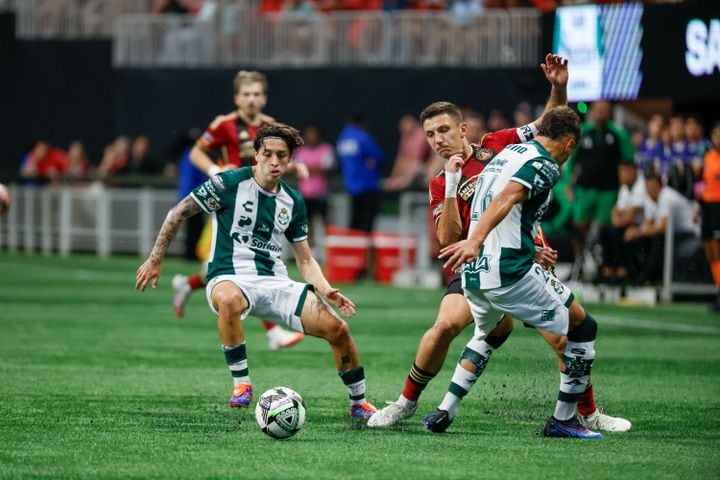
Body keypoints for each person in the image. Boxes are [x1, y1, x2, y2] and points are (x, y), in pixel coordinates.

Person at [368, 54, 629, 434]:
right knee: (444, 326)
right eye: (429, 135)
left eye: (443, 130)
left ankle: (586, 412)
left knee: (562, 339)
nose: (438, 140)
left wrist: (558, 87)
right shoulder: (441, 182)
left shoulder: (497, 144)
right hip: (474, 261)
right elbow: (448, 240)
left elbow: (549, 129)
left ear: (462, 129)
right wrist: (455, 184)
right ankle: (405, 404)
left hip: (515, 260)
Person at [136, 123, 377, 419]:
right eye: (268, 154)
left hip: (276, 282)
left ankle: (358, 403)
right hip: (229, 276)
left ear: (289, 160)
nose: (274, 162)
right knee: (228, 301)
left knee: (338, 330)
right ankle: (242, 384)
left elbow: (304, 260)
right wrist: (155, 258)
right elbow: (179, 213)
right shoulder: (228, 184)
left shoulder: (293, 201)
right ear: (256, 156)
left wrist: (326, 289)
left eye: (282, 156)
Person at [436, 105, 610, 438]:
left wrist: (483, 245)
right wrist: (474, 241)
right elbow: (507, 197)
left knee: (490, 334)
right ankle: (564, 419)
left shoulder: (509, 152)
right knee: (582, 328)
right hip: (509, 270)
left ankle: (445, 408)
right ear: (570, 144)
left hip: (476, 272)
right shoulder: (544, 165)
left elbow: (505, 208)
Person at [172, 70, 306, 350]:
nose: (251, 99)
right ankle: (274, 334)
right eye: (246, 94)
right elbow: (196, 152)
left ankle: (187, 285)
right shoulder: (224, 125)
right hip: (231, 202)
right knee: (239, 263)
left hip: (262, 202)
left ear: (264, 98)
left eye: (256, 94)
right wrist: (215, 170)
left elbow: (275, 159)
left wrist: (295, 166)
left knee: (237, 264)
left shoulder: (271, 126)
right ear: (236, 98)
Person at [567, 101, 635, 264]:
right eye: (598, 110)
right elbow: (570, 160)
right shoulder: (582, 132)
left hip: (608, 191)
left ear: (609, 112)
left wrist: (624, 184)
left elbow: (629, 160)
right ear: (592, 111)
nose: (601, 114)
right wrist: (569, 184)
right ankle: (579, 262)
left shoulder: (619, 133)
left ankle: (603, 264)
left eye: (605, 111)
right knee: (579, 226)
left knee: (605, 229)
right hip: (584, 189)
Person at [337, 113, 385, 233]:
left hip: (350, 185)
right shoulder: (362, 137)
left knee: (354, 219)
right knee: (367, 221)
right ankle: (363, 249)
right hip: (367, 184)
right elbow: (379, 157)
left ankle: (352, 248)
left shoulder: (342, 138)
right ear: (361, 124)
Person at [293, 123, 335, 245]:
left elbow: (326, 167)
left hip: (321, 193)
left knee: (325, 222)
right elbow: (296, 169)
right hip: (305, 193)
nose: (310, 136)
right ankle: (310, 249)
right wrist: (315, 167)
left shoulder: (326, 149)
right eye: (308, 133)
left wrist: (307, 168)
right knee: (307, 223)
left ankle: (328, 249)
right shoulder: (301, 151)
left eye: (313, 133)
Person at [701, 122, 720, 311]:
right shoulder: (708, 156)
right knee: (711, 252)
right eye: (715, 133)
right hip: (708, 206)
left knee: (718, 250)